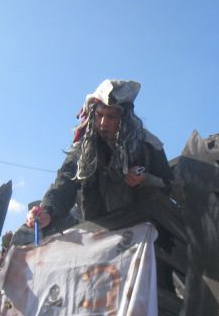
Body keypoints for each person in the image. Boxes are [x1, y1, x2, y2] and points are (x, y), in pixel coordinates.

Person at [26, 79, 172, 233]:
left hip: (140, 229)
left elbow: (168, 187)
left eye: (111, 117)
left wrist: (144, 179)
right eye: (99, 115)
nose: (103, 123)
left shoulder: (148, 145)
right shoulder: (83, 149)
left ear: (124, 118)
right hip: (95, 231)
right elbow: (64, 183)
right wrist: (47, 211)